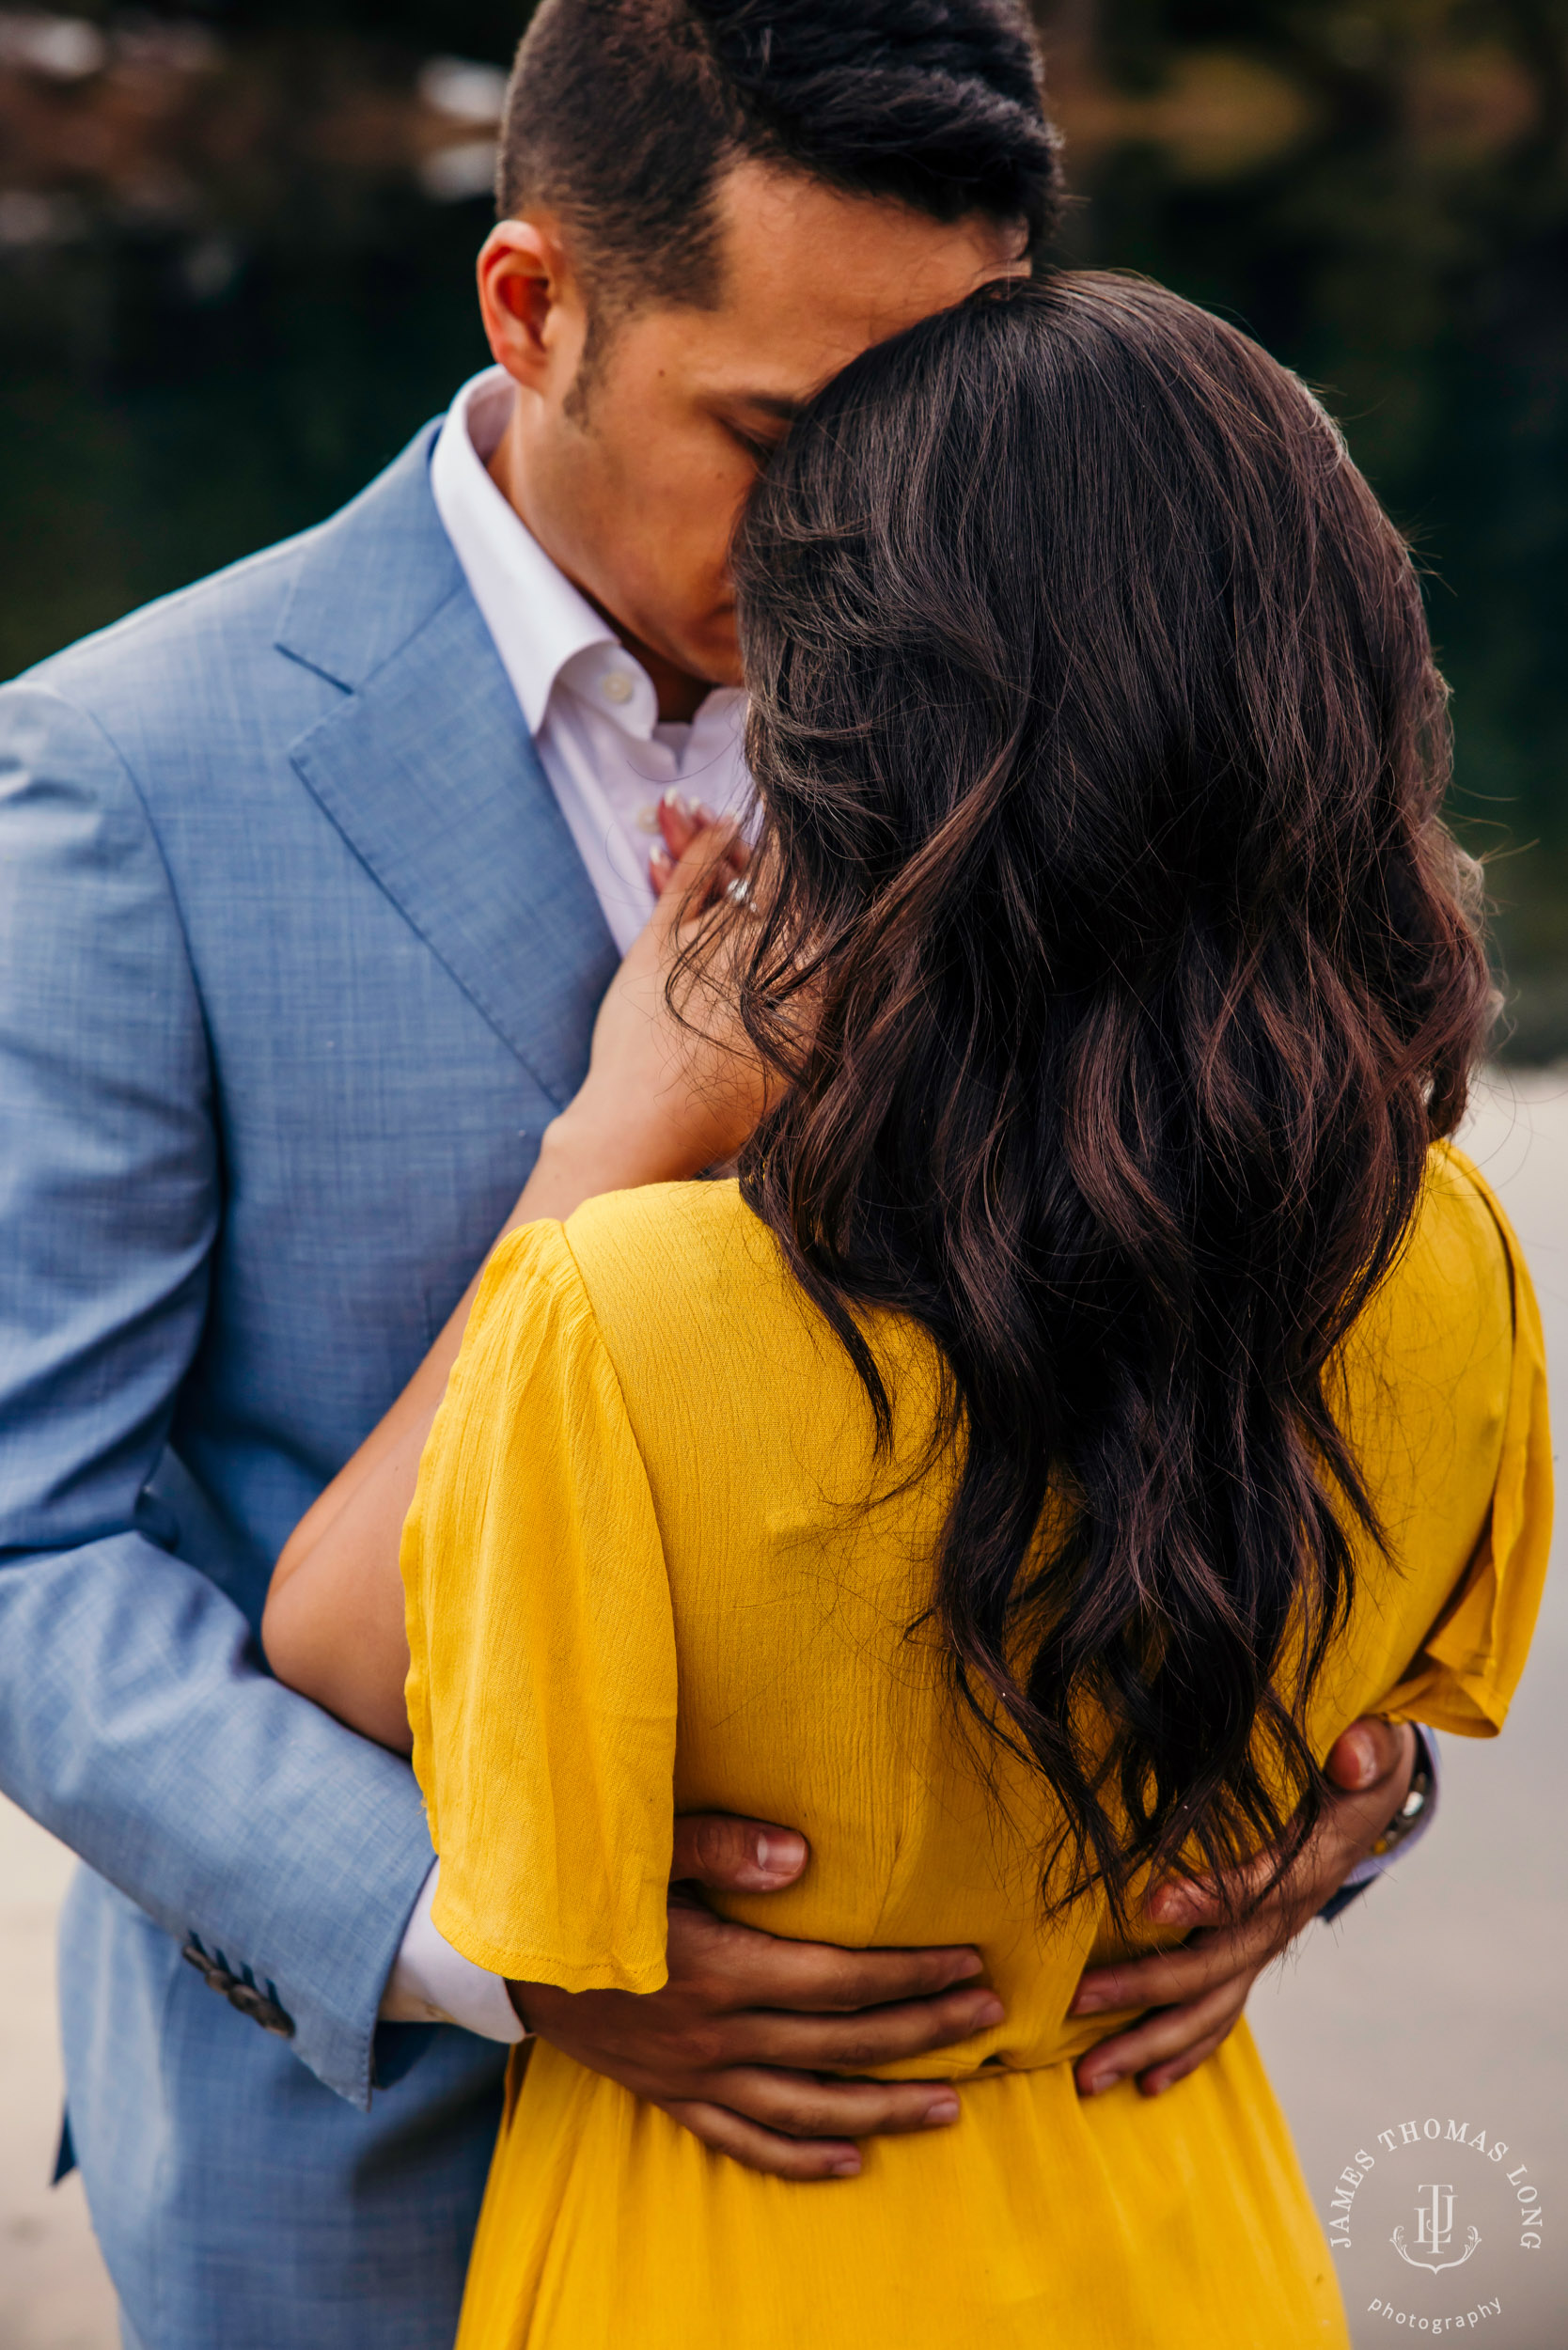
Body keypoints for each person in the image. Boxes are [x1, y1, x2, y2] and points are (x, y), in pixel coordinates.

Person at [0, 3, 1427, 2342]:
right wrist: (500, 1945)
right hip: (374, 2191)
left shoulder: (1074, 711)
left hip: (998, 2168)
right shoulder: (127, 776)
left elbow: (1222, 1305)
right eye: (778, 434)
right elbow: (27, 1543)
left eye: (926, 432)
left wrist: (1328, 1774)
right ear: (534, 302)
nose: (870, 539)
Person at [263, 274, 1551, 2346]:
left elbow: (334, 1643)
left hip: (745, 2255)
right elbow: (1370, 1737)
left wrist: (616, 1132)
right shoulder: (1449, 1248)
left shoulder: (632, 1307)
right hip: (1187, 2223)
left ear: (857, 736)